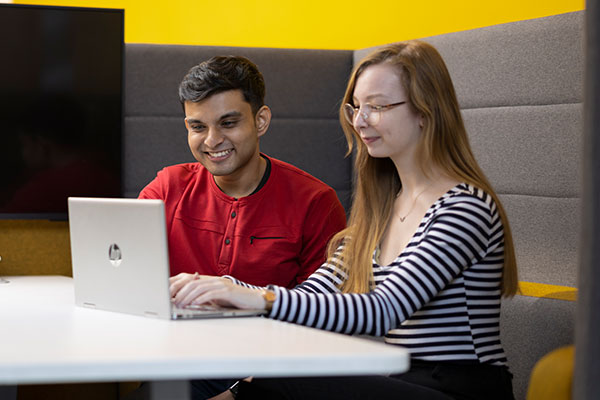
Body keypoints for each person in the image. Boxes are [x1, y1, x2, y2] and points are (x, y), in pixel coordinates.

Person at [172, 41, 518, 400]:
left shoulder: (464, 206)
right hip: (404, 379)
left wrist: (257, 298)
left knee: (278, 377)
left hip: (461, 386)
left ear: (424, 112)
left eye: (378, 107)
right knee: (201, 382)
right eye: (357, 107)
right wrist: (219, 294)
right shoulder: (383, 210)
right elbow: (312, 295)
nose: (360, 120)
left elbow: (383, 309)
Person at [138, 55, 347, 398]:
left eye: (228, 123)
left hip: (271, 378)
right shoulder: (166, 188)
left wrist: (241, 392)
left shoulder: (316, 203)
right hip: (179, 365)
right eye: (197, 126)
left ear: (260, 121)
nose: (211, 141)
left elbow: (328, 321)